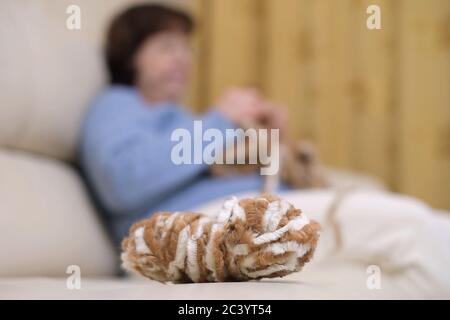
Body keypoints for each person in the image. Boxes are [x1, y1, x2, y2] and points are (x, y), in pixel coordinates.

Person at [79, 4, 286, 243]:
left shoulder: (181, 118)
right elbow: (122, 181)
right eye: (166, 47)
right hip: (178, 235)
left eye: (187, 48)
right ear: (130, 57)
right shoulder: (116, 104)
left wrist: (272, 138)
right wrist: (221, 121)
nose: (183, 58)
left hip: (245, 214)